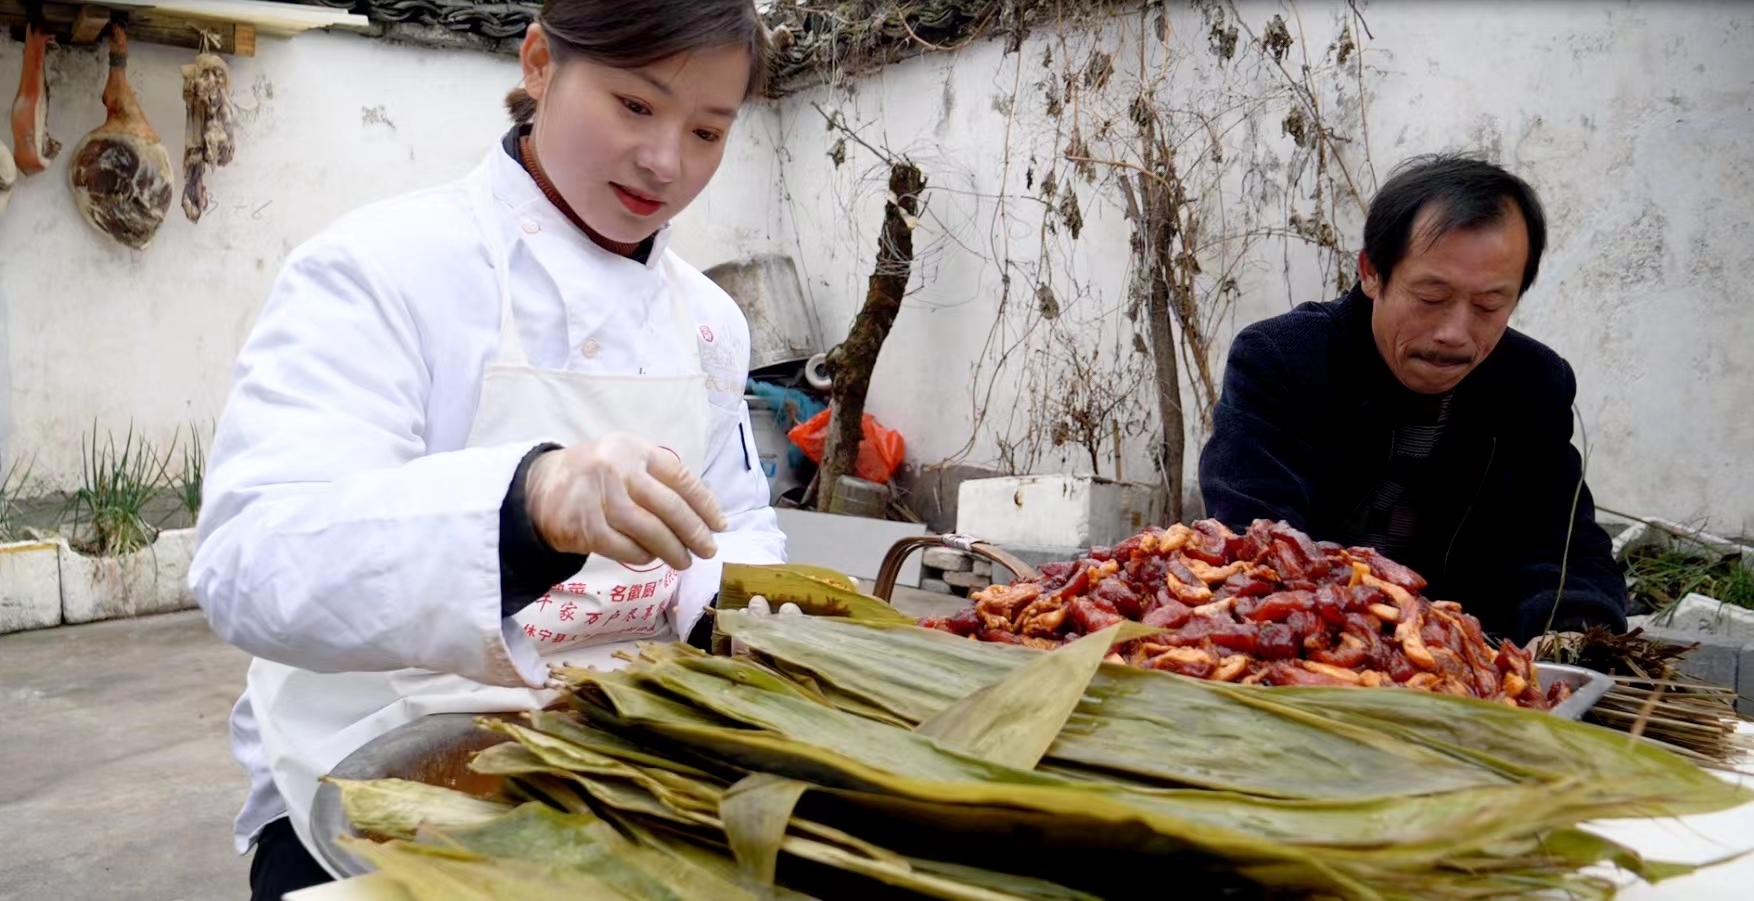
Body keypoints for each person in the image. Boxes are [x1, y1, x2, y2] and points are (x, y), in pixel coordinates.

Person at [187, 3, 787, 898]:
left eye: (707, 130)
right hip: (372, 790)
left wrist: (726, 607)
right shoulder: (381, 270)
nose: (667, 161)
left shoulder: (707, 321)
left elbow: (734, 518)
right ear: (540, 63)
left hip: (631, 783)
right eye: (634, 106)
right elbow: (249, 559)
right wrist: (526, 499)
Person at [1198, 154, 1627, 647]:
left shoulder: (1533, 383)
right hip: (1315, 646)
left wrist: (1571, 638)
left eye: (1490, 305)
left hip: (1470, 659)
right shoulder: (1284, 360)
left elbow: (1561, 544)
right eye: (1430, 297)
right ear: (1371, 273)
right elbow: (1258, 538)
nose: (1454, 334)